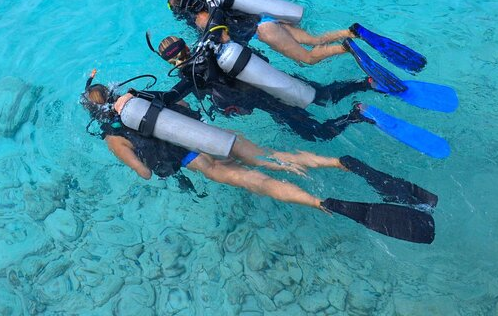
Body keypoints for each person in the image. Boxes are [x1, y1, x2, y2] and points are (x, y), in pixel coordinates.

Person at [80, 78, 438, 244]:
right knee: (273, 158)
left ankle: (321, 202)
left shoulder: (114, 137)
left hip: (197, 161)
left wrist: (146, 160)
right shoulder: (143, 100)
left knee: (262, 182)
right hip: (211, 137)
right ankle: (339, 163)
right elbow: (186, 108)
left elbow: (143, 172)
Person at [153, 35, 373, 142]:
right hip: (278, 80)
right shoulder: (212, 46)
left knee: (317, 134)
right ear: (186, 45)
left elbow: (173, 95)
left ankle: (355, 116)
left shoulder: (191, 78)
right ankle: (366, 83)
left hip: (272, 104)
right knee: (323, 95)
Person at [168, 0, 352, 65]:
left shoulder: (201, 19)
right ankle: (350, 32)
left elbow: (225, 38)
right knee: (315, 40)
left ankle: (346, 48)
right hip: (266, 18)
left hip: (264, 31)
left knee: (308, 58)